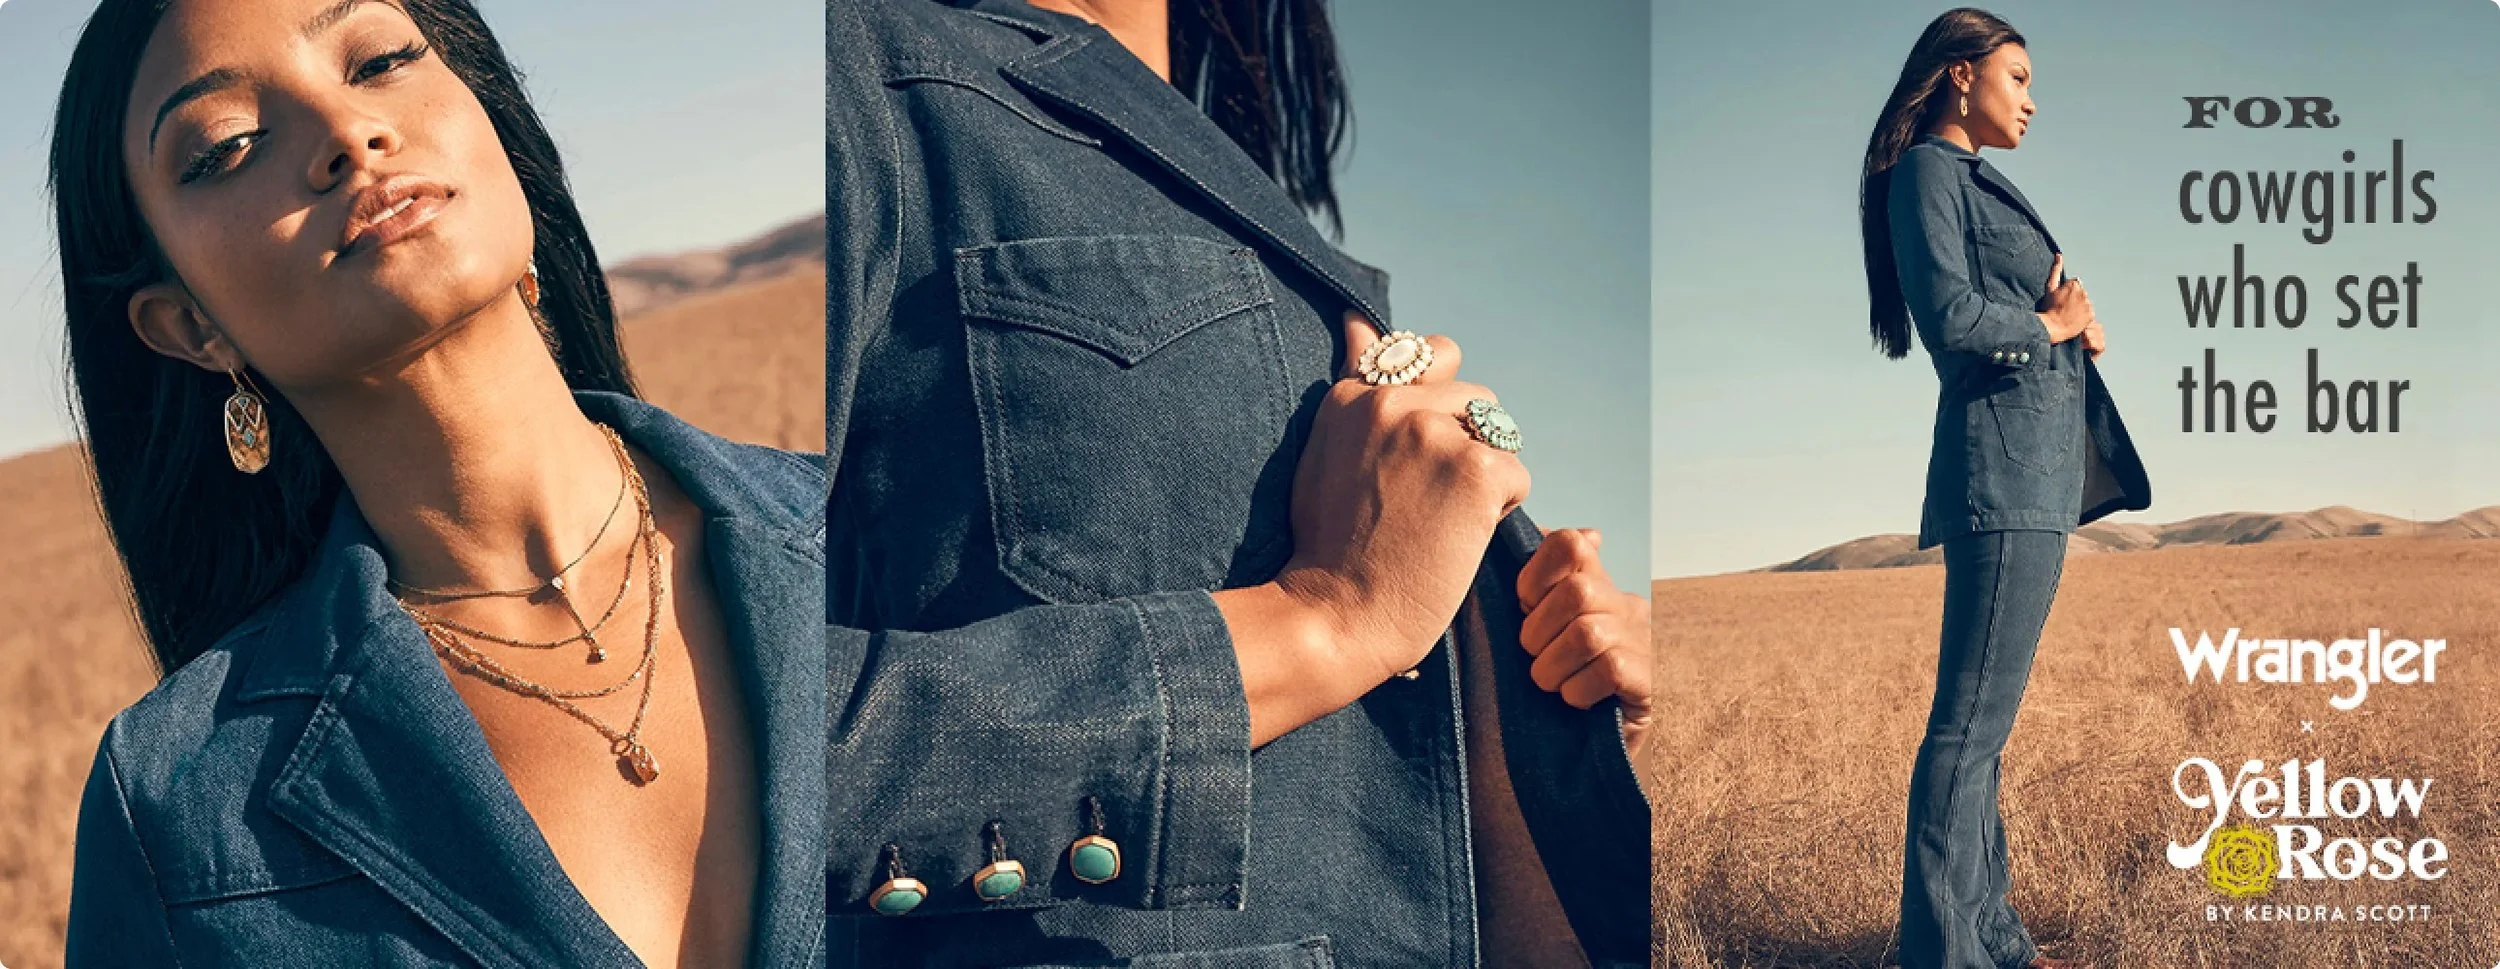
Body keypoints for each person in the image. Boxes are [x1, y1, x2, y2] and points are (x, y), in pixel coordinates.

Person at [824, 0, 1655, 965]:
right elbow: (749, 721)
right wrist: (1318, 623)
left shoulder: (1243, 199)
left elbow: (1349, 809)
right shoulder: (863, 73)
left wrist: (1559, 720)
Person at [56, 1, 824, 965]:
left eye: (377, 60)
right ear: (190, 326)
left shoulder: (888, 531)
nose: (347, 134)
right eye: (229, 144)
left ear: (495, 125)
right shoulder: (177, 818)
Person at [1855, 8, 2152, 969]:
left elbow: (2022, 309)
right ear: (1957, 75)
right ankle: (1947, 952)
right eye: (2016, 76)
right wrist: (2052, 327)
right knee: (1967, 728)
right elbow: (1950, 318)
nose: (2031, 97)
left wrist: (2078, 330)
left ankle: (1994, 941)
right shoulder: (1927, 175)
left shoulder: (1969, 181)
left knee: (1985, 731)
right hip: (2001, 471)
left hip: (2034, 474)